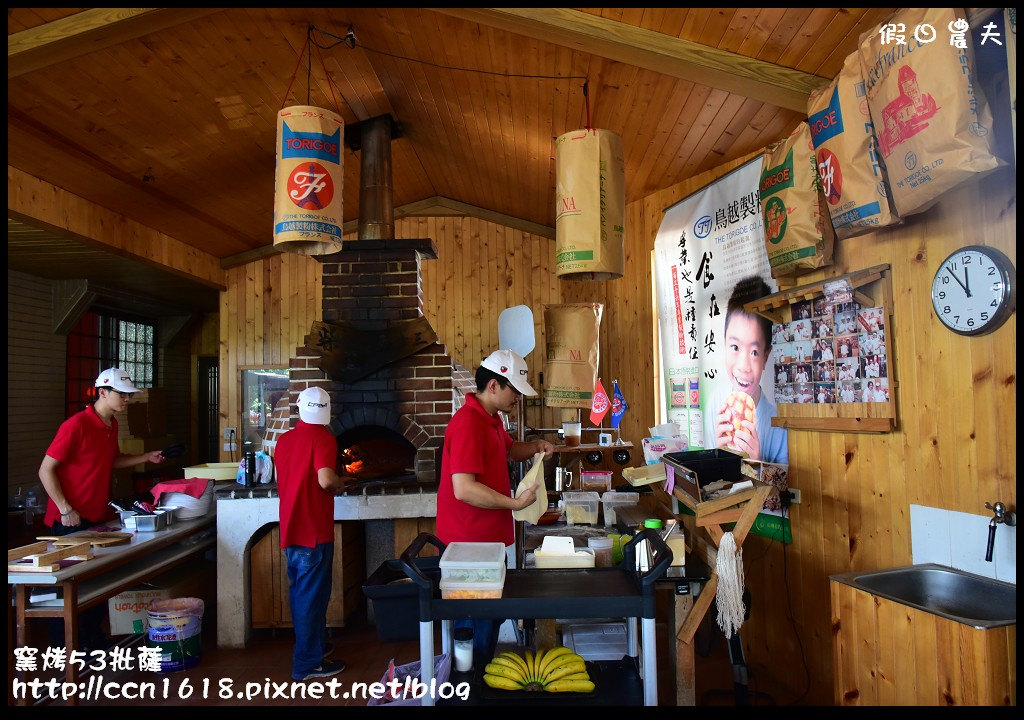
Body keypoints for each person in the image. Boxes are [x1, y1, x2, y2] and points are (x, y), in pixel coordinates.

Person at [437, 349, 554, 665]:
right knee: (475, 623)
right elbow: (463, 489)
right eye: (514, 390)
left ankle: (477, 676)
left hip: (485, 542)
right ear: (493, 386)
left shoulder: (490, 419)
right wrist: (515, 503)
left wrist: (535, 447)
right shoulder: (467, 425)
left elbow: (510, 449)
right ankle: (468, 687)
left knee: (489, 617)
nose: (517, 397)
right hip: (468, 545)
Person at [274, 386, 353, 681]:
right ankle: (307, 663)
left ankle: (315, 646)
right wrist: (339, 485)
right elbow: (324, 479)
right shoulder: (322, 437)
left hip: (291, 528)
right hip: (314, 532)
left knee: (300, 595)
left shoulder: (284, 440)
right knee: (312, 599)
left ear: (299, 409)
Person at [39, 367, 165, 534]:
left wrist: (146, 457)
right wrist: (65, 509)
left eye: (130, 394)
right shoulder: (76, 425)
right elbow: (45, 470)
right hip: (70, 517)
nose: (127, 399)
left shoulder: (112, 424)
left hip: (96, 513)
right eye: (121, 394)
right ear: (103, 393)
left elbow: (111, 460)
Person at [703, 276, 789, 464]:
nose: (743, 366)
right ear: (724, 343)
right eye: (735, 347)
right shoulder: (715, 405)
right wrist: (717, 458)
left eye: (754, 352)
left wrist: (756, 463)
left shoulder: (779, 425)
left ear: (766, 356)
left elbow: (785, 491)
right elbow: (710, 486)